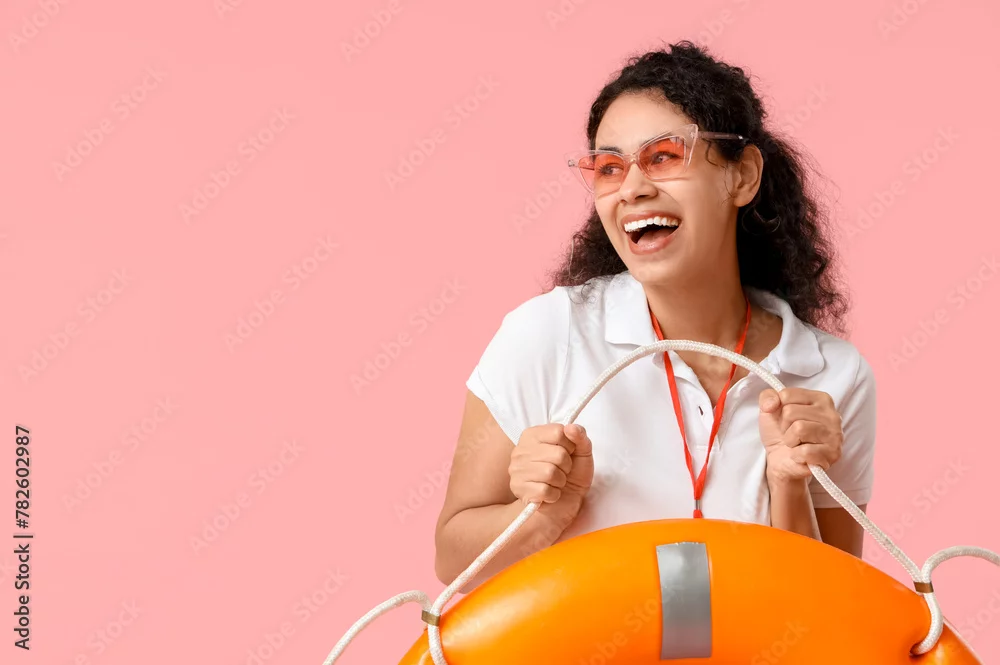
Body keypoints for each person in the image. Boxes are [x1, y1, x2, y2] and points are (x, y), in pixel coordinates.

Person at [433, 41, 876, 591]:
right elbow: (452, 560)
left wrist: (788, 486)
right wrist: (541, 517)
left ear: (742, 176)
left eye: (663, 156)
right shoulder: (547, 335)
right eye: (609, 168)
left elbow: (835, 609)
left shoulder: (833, 376)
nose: (633, 189)